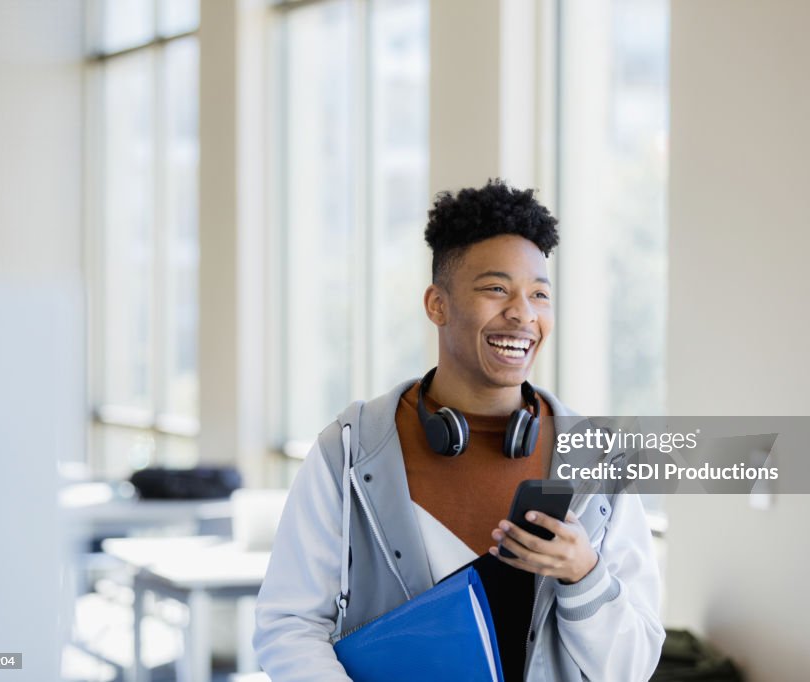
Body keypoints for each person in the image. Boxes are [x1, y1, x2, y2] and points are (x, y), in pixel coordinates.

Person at [253, 179, 665, 681]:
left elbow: (633, 668)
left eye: (539, 294)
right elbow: (289, 624)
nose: (523, 313)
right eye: (496, 289)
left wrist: (584, 575)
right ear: (437, 305)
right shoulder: (351, 449)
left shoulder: (599, 461)